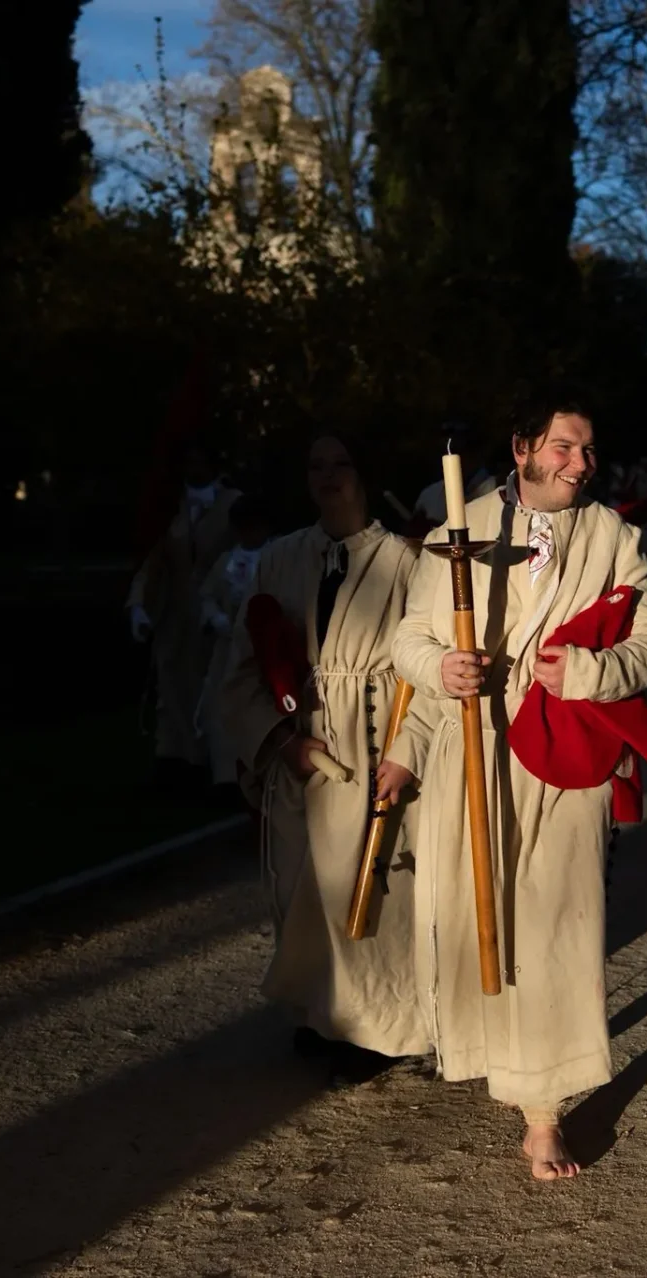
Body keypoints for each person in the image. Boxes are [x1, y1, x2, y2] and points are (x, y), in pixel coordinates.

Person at [381, 391, 647, 1181]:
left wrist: (592, 671)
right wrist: (441, 668)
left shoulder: (613, 534)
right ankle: (501, 1061)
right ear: (522, 450)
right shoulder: (460, 527)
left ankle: (544, 1113)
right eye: (564, 448)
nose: (581, 464)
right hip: (470, 754)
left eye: (586, 451)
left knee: (555, 930)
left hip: (563, 756)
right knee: (485, 921)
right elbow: (408, 638)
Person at [215, 432, 426, 1077]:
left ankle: (371, 1025)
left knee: (369, 887)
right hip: (300, 741)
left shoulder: (405, 560)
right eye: (316, 465)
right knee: (301, 879)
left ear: (366, 474)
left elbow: (428, 666)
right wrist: (280, 741)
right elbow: (242, 664)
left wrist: (407, 747)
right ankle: (317, 1011)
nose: (328, 476)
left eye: (342, 463)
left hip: (373, 740)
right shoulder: (278, 558)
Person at [128, 442, 240, 788]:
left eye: (199, 459)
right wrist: (138, 605)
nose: (194, 467)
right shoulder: (169, 507)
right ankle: (174, 757)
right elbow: (154, 560)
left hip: (216, 608)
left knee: (214, 686)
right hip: (175, 613)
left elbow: (243, 551)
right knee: (173, 686)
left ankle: (216, 763)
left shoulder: (232, 503)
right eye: (188, 460)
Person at [197, 494, 273, 792]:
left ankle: (263, 772)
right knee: (224, 708)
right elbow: (207, 596)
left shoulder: (277, 555)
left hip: (265, 649)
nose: (251, 534)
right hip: (230, 648)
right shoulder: (227, 561)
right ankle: (228, 775)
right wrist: (215, 617)